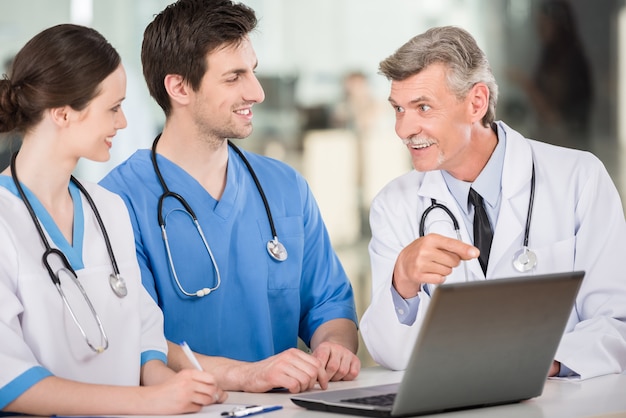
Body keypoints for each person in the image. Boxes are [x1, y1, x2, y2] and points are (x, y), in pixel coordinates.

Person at [99, 0, 360, 394]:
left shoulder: (285, 187)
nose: (256, 92)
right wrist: (247, 375)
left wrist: (333, 347)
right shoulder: (116, 202)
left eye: (252, 71)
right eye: (234, 77)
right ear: (179, 87)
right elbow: (135, 342)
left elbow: (330, 305)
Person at [359, 26, 626, 380]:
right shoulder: (394, 205)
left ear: (476, 103)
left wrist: (546, 362)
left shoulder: (579, 178)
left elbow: (617, 321)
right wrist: (402, 281)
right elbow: (390, 355)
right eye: (398, 109)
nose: (403, 129)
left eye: (423, 107)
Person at [0, 24, 226, 415]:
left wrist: (182, 388)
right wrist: (149, 401)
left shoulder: (109, 208)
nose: (121, 123)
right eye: (113, 108)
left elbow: (144, 350)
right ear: (62, 113)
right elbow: (9, 382)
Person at [508, 0, 593, 149]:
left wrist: (526, 84)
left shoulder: (569, 62)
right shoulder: (550, 56)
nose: (539, 29)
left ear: (557, 25)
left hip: (567, 148)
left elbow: (555, 118)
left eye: (544, 23)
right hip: (552, 145)